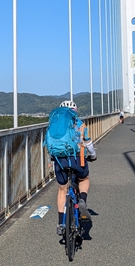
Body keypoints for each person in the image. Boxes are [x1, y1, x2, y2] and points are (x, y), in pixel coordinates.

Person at [46, 100, 97, 236]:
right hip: (76, 159)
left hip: (59, 159)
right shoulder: (79, 123)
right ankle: (82, 201)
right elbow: (88, 142)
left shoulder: (54, 124)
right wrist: (93, 155)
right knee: (84, 178)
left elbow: (49, 143)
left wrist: (51, 160)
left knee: (62, 190)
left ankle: (61, 223)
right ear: (75, 111)